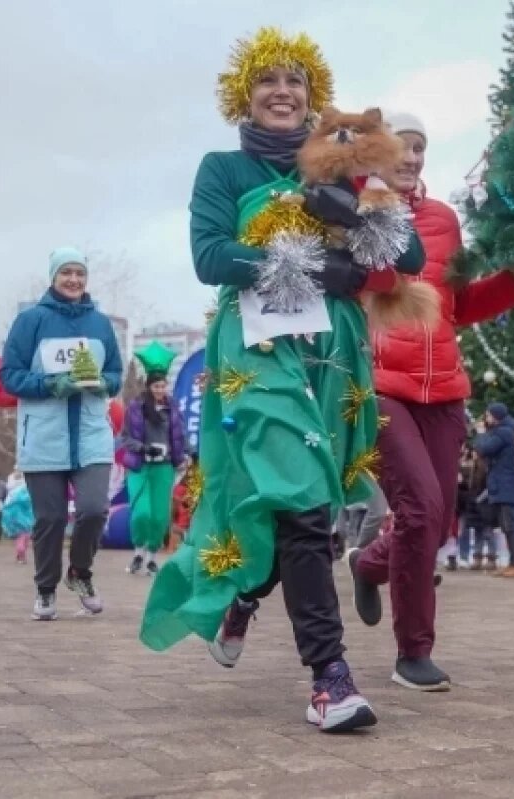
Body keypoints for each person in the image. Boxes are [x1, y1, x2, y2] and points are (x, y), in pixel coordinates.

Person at [138, 28, 419, 732]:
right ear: (247, 95)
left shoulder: (346, 165)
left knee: (308, 509)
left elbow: (406, 251)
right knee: (296, 498)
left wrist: (351, 212)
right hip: (257, 352)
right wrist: (304, 264)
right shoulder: (221, 170)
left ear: (312, 96)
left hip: (331, 357)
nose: (283, 91)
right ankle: (330, 677)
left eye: (295, 81)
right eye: (269, 81)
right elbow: (209, 255)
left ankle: (244, 594)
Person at [345, 111, 514, 692]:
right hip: (380, 387)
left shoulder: (444, 219)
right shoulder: (350, 215)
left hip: (445, 390)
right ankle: (413, 653)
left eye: (420, 147)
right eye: (401, 146)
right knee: (421, 508)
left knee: (440, 519)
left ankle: (368, 562)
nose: (412, 157)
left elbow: (462, 305)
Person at [0, 248, 122, 618]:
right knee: (49, 519)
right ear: (53, 277)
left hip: (90, 433)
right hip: (44, 435)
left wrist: (103, 382)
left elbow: (116, 373)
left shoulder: (101, 323)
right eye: (66, 272)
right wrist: (52, 384)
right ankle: (46, 588)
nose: (73, 280)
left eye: (79, 273)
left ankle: (80, 573)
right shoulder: (30, 321)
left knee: (94, 509)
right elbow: (9, 375)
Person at [119, 352, 187, 576]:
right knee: (142, 513)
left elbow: (180, 436)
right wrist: (144, 448)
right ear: (149, 387)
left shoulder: (173, 408)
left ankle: (150, 558)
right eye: (156, 386)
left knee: (160, 516)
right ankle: (138, 550)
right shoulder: (136, 408)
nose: (160, 390)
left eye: (163, 386)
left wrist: (186, 454)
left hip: (164, 467)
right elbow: (125, 438)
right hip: (140, 466)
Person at [472, 403, 514, 577]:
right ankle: (513, 562)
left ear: (496, 416)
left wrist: (479, 434)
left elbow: (484, 448)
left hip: (505, 485)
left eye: (488, 416)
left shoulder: (503, 432)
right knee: (506, 526)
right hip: (502, 485)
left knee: (510, 526)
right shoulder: (504, 431)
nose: (486, 420)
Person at [2, 471, 34, 565]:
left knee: (22, 538)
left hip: (20, 518)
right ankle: (21, 555)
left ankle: (21, 555)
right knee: (23, 538)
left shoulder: (13, 493)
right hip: (23, 519)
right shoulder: (23, 491)